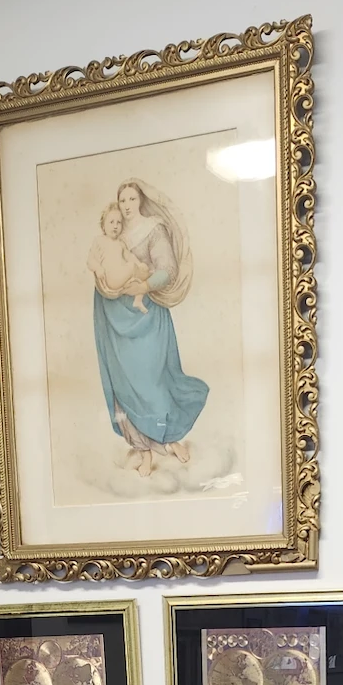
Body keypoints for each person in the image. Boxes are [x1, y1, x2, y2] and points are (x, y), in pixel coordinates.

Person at [91, 178, 208, 478]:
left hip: (147, 316)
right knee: (125, 385)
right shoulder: (113, 232)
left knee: (154, 382)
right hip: (115, 318)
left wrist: (143, 286)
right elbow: (100, 267)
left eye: (132, 199)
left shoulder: (153, 229)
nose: (127, 206)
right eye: (123, 200)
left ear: (141, 199)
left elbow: (168, 269)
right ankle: (144, 449)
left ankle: (169, 440)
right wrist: (105, 282)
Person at [88, 204, 150, 313]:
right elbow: (90, 260)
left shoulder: (121, 243)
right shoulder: (99, 240)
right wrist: (97, 268)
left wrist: (139, 264)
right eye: (111, 222)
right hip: (111, 279)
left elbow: (129, 256)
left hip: (121, 277)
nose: (115, 226)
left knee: (140, 276)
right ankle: (144, 276)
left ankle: (138, 300)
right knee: (133, 267)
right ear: (103, 225)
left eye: (119, 222)